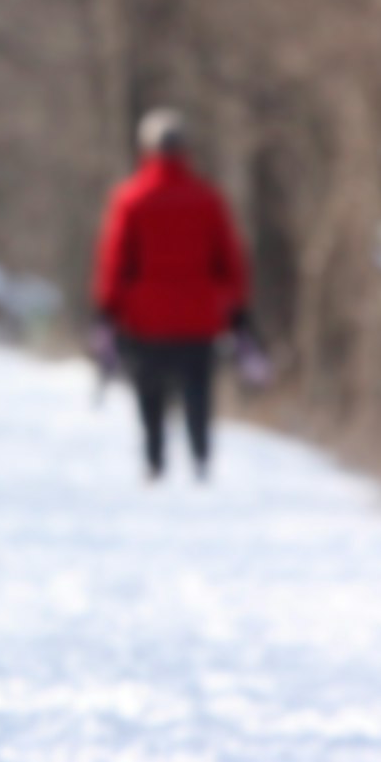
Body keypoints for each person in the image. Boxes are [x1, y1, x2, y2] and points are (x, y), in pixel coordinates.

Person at [92, 108, 250, 482]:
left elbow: (114, 258)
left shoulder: (130, 198)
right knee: (198, 387)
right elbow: (230, 258)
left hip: (145, 317)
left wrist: (107, 308)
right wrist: (237, 307)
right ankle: (200, 458)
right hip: (199, 315)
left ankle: (154, 460)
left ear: (146, 149)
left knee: (150, 391)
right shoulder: (208, 198)